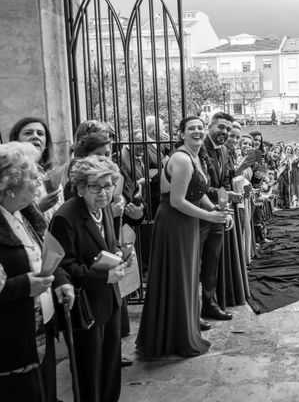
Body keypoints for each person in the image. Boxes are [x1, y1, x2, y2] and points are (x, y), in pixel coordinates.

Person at [136, 116, 231, 357]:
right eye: (192, 129)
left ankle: (186, 323)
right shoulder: (181, 158)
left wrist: (216, 210)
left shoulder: (196, 157)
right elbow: (177, 201)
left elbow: (198, 193)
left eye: (200, 127)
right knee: (178, 276)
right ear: (181, 134)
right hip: (174, 222)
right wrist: (210, 218)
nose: (197, 131)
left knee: (188, 275)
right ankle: (175, 335)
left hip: (187, 221)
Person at [49, 155, 127, 402]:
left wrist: (116, 253)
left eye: (108, 185)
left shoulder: (102, 207)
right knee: (89, 371)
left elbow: (104, 244)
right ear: (80, 188)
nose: (103, 193)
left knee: (111, 365)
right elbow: (64, 266)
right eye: (95, 187)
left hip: (111, 300)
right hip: (86, 306)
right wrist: (103, 276)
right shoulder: (65, 217)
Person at [0, 142, 74, 402]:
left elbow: (45, 253)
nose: (40, 181)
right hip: (11, 339)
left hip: (41, 324)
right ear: (10, 187)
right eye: (33, 177)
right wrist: (23, 286)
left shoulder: (25, 213)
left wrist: (61, 282)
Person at [200, 112, 240, 321]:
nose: (224, 132)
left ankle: (209, 304)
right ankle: (193, 307)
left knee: (211, 261)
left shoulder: (224, 151)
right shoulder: (199, 148)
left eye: (228, 129)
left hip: (217, 213)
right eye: (221, 127)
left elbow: (224, 182)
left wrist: (225, 210)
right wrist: (220, 197)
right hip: (198, 212)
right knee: (195, 263)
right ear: (210, 126)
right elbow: (200, 185)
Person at [9, 117, 62, 221]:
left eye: (40, 133)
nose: (35, 136)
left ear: (46, 144)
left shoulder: (51, 173)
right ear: (16, 140)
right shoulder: (9, 174)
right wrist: (38, 209)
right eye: (28, 133)